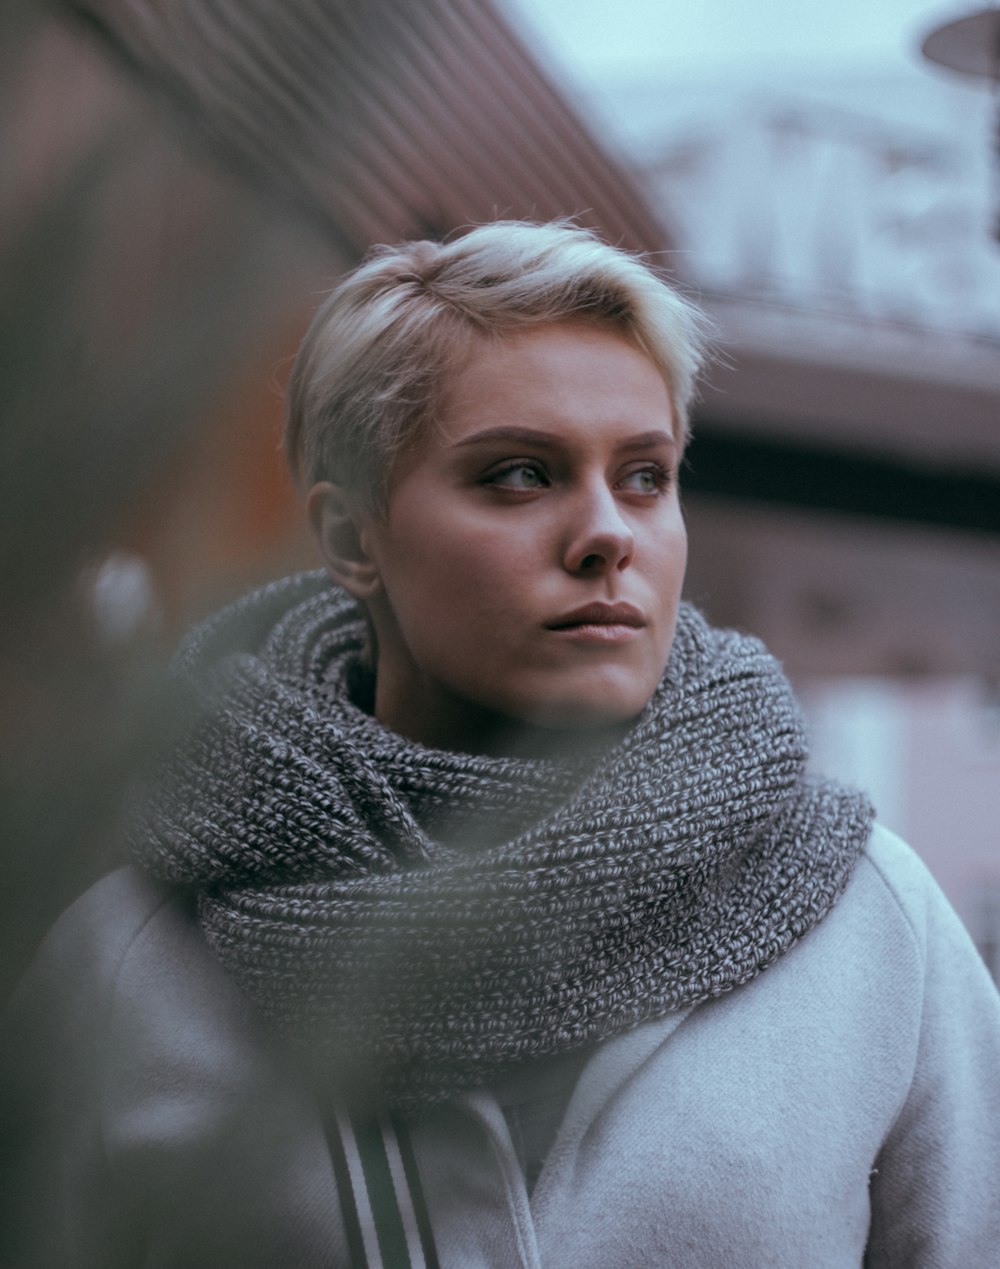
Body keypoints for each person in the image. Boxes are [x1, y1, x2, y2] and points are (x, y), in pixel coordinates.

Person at [3, 221, 999, 1268]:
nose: (606, 532)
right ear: (352, 538)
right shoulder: (128, 967)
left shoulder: (866, 924)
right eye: (521, 475)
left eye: (646, 475)